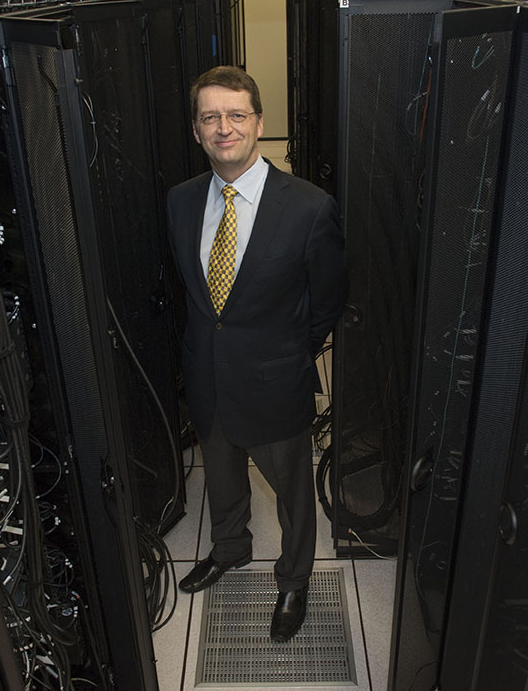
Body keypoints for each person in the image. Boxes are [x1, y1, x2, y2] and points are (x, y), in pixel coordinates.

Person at [166, 65, 347, 642]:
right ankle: (230, 548)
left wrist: (289, 353)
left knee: (292, 489)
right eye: (211, 117)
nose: (225, 127)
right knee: (221, 475)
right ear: (196, 130)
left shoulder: (309, 207)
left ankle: (294, 579)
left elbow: (328, 301)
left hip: (275, 378)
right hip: (206, 374)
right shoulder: (180, 201)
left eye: (236, 115)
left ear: (259, 124)